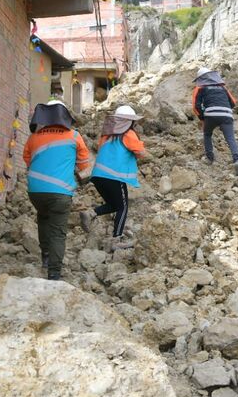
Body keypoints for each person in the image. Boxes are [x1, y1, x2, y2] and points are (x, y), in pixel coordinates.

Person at [23, 100, 91, 280]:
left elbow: (28, 160)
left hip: (35, 191)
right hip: (60, 192)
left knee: (43, 218)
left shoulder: (33, 137)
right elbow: (84, 165)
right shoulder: (74, 136)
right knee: (58, 232)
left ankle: (45, 257)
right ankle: (54, 273)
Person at [80, 105, 146, 238]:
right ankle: (116, 238)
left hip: (97, 176)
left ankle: (91, 213)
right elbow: (141, 153)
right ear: (129, 121)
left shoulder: (106, 136)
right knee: (123, 207)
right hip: (114, 177)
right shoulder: (128, 134)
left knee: (114, 205)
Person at [192, 67, 238, 175]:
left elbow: (196, 106)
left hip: (210, 114)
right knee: (230, 138)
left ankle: (209, 158)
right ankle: (237, 160)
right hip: (226, 114)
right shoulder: (223, 87)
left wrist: (202, 118)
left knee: (207, 134)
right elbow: (233, 102)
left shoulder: (200, 88)